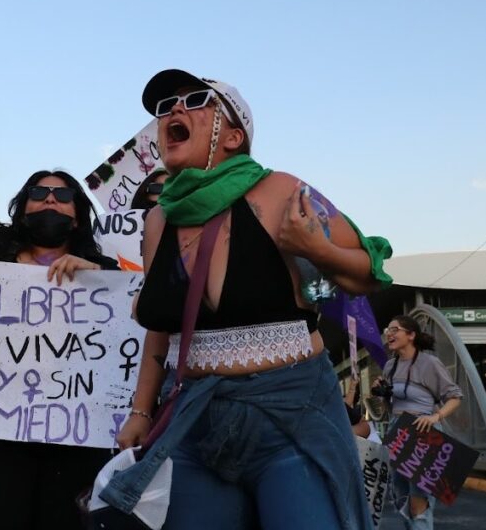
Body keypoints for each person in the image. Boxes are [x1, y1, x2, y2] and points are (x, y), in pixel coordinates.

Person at [105, 69, 390, 529]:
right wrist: (141, 411)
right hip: (195, 423)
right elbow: (163, 328)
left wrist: (317, 249)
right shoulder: (159, 219)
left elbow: (368, 272)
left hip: (290, 419)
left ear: (233, 136)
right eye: (165, 107)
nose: (173, 110)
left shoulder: (279, 191)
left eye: (195, 101)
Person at [0, 84, 119, 529]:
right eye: (39, 192)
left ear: (78, 215)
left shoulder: (105, 272)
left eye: (62, 195)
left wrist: (97, 275)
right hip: (3, 435)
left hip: (75, 440)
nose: (50, 199)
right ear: (22, 209)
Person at [374, 315, 462, 530]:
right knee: (401, 498)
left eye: (395, 329)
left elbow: (455, 397)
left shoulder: (429, 363)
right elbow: (390, 407)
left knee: (419, 502)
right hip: (398, 431)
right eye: (388, 330)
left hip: (424, 432)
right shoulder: (390, 366)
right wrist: (382, 393)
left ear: (411, 335)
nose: (389, 334)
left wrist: (435, 417)